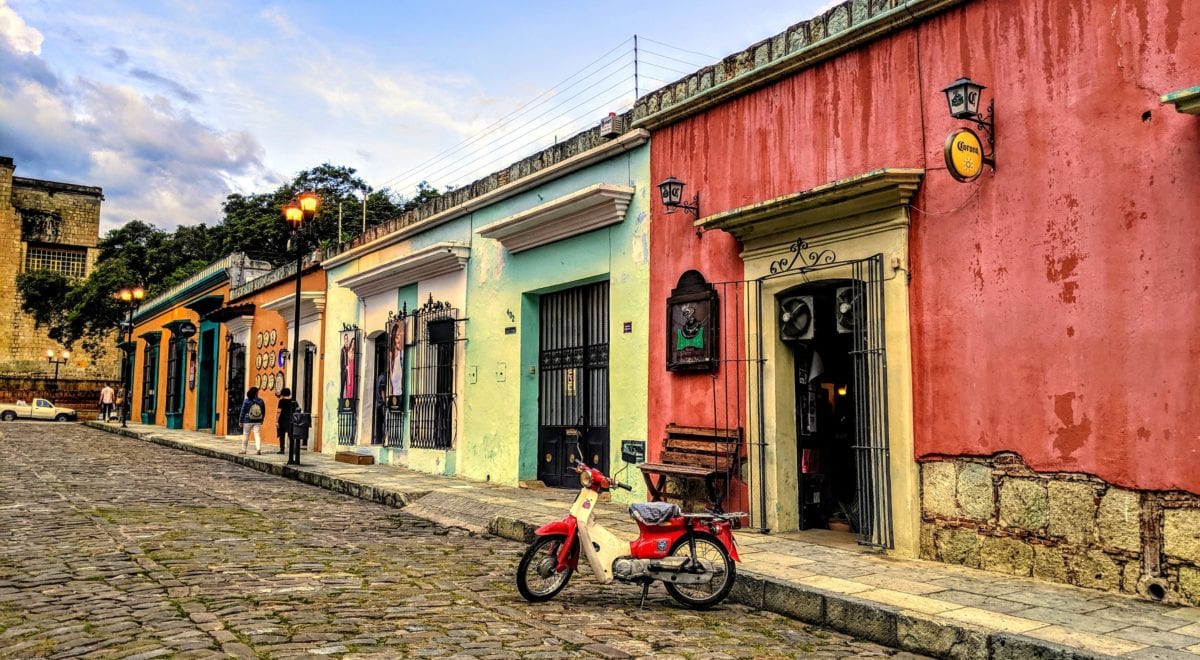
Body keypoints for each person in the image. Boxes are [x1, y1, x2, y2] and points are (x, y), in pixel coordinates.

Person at [240, 387, 266, 455]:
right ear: (256, 393)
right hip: (257, 420)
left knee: (246, 435)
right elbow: (263, 411)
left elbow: (243, 411)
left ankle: (243, 450)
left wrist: (241, 421)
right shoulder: (260, 401)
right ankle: (258, 449)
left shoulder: (247, 401)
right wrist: (262, 419)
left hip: (247, 420)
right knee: (257, 435)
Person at [276, 388, 297, 455]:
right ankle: (293, 449)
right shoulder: (293, 401)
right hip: (291, 420)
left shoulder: (281, 401)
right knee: (291, 435)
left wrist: (276, 421)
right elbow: (297, 409)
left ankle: (282, 449)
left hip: (282, 420)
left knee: (282, 435)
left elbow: (279, 411)